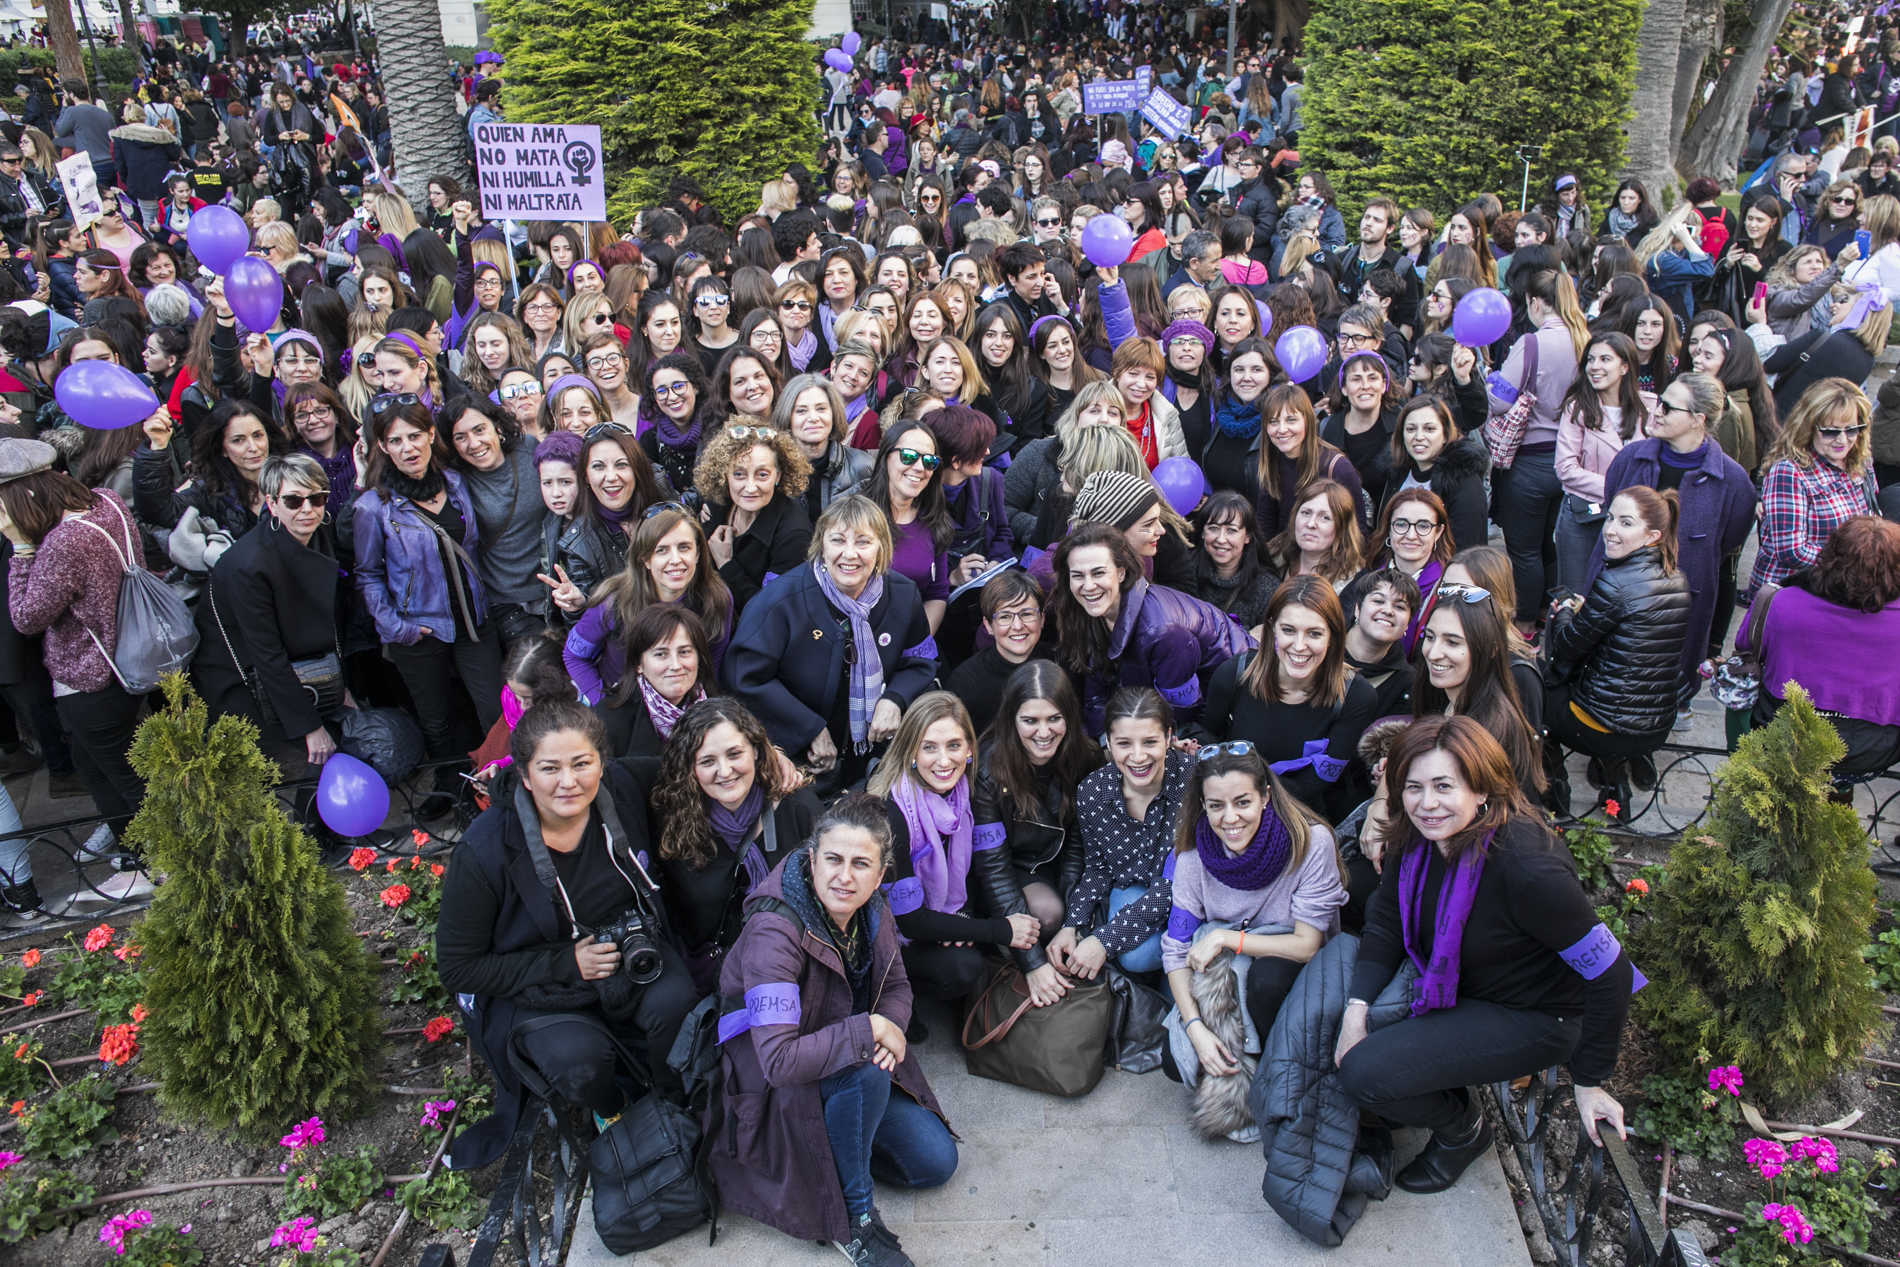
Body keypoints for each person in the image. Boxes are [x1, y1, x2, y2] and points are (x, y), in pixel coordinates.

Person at [1336, 716, 1632, 1194]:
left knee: (1363, 1074)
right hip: (1464, 983)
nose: (1426, 804)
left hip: (1534, 1016)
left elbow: (1611, 972)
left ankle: (1463, 1132)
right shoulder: (1419, 836)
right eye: (1413, 787)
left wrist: (1589, 1082)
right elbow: (1387, 919)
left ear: (1481, 790)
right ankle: (1431, 1081)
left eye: (1443, 786)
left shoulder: (1527, 869)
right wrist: (1357, 1011)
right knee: (1342, 1031)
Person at [436, 699, 699, 1169]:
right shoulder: (486, 851)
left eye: (582, 763)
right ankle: (610, 1108)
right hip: (540, 980)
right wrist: (566, 962)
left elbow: (696, 760)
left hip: (629, 953)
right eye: (550, 768)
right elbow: (458, 967)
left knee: (676, 1001)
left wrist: (770, 761)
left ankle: (667, 1105)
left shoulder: (618, 786)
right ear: (523, 774)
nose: (568, 781)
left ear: (602, 760)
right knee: (580, 1061)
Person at [709, 793, 956, 1267]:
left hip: (843, 1059)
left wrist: (890, 1024)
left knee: (934, 1165)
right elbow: (778, 1061)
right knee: (865, 1074)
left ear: (882, 872)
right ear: (812, 857)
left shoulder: (871, 907)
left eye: (861, 864)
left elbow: (897, 986)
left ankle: (838, 1154)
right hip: (775, 1086)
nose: (845, 877)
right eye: (834, 860)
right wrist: (871, 1029)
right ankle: (854, 1219)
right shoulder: (773, 931)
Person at [0, 437, 153, 903]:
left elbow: (27, 617)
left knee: (123, 777)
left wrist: (21, 550)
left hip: (90, 678)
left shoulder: (63, 543)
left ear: (23, 496)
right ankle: (136, 858)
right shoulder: (104, 501)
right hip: (130, 661)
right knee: (97, 765)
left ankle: (155, 865)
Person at [1161, 740, 1345, 1098]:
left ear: (1264, 796)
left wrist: (1225, 939)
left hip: (1289, 964)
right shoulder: (1191, 859)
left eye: (1242, 802)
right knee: (1174, 1060)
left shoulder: (1310, 842)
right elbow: (1175, 950)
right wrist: (1195, 1027)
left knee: (1267, 979)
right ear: (1203, 806)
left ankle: (1282, 1066)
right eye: (1216, 806)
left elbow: (1307, 945)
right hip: (1227, 970)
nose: (1230, 818)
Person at [352, 396, 505, 813]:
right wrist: (397, 628)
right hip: (417, 629)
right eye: (395, 440)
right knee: (437, 719)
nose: (408, 447)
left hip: (473, 621)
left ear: (431, 435)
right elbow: (367, 574)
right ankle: (450, 789)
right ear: (382, 447)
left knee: (493, 707)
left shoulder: (455, 484)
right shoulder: (373, 507)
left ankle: (494, 787)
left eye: (415, 436)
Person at [726, 495, 937, 794]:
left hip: (873, 759)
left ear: (881, 548)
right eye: (838, 540)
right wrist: (807, 728)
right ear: (821, 545)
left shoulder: (904, 595)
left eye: (863, 542)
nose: (849, 554)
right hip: (799, 763)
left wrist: (896, 698)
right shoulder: (780, 601)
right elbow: (743, 676)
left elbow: (921, 660)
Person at [1597, 373, 1756, 712]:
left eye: (1668, 408)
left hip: (1680, 603)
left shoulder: (1733, 481)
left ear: (1698, 420)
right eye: (1658, 402)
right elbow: (1611, 503)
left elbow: (1729, 541)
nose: (1656, 412)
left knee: (1663, 685)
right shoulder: (1630, 458)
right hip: (1617, 592)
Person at [868, 691, 1032, 1011]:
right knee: (962, 968)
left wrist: (960, 921)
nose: (944, 761)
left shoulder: (964, 794)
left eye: (954, 745)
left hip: (939, 912)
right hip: (890, 939)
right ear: (910, 751)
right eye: (929, 747)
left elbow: (979, 871)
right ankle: (893, 997)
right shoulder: (892, 812)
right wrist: (999, 931)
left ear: (970, 749)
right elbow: (910, 921)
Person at [192, 454, 351, 778]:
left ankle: (322, 825)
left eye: (317, 498)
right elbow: (266, 653)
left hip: (298, 661)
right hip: (238, 673)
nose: (307, 509)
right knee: (296, 759)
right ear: (272, 503)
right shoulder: (248, 565)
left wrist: (342, 686)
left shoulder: (318, 535)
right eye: (294, 500)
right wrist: (309, 726)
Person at [649, 696, 820, 992]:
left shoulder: (798, 807)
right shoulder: (678, 821)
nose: (725, 771)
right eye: (707, 761)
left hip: (798, 964)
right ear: (690, 767)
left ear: (755, 750)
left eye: (734, 754)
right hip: (719, 974)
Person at [1543, 487, 1692, 813]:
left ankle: (1554, 792)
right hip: (1656, 726)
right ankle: (1617, 785)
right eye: (1610, 518)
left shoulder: (1615, 583)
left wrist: (1565, 610)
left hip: (1607, 728)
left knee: (1531, 696)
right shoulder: (1678, 579)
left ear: (1652, 536)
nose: (1610, 529)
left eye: (1625, 523)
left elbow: (1567, 648)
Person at [971, 660, 1101, 1005]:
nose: (1043, 733)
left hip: (1058, 861)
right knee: (1047, 913)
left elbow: (1079, 844)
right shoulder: (989, 770)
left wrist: (1074, 924)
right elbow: (992, 867)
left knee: (1082, 918)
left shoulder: (1085, 757)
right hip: (1011, 869)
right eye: (1030, 721)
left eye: (1054, 719)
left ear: (1069, 718)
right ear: (1012, 720)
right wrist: (1033, 963)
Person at [1047, 522, 1253, 735]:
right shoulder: (1092, 610)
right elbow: (1096, 693)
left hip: (1243, 699)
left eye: (1098, 573)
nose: (1088, 586)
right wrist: (1101, 741)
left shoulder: (1163, 631)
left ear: (1120, 572)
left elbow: (1183, 716)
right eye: (1078, 575)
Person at [1736, 516, 1900, 778]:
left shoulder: (1778, 602)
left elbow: (1746, 648)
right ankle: (1840, 799)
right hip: (1873, 751)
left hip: (1783, 738)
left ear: (1829, 554)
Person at [1486, 269, 1587, 631]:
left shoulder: (1533, 343)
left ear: (1536, 302)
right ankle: (1550, 609)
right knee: (1550, 543)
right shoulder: (1584, 339)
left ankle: (1526, 621)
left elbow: (1499, 401)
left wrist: (1487, 380)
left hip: (1529, 458)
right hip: (1569, 458)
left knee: (1524, 549)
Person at [1747, 377, 1875, 599]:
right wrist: (1853, 563)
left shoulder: (1860, 462)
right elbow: (1791, 551)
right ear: (1808, 427)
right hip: (1792, 595)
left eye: (1852, 430)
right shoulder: (1789, 472)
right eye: (1831, 431)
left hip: (1839, 590)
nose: (1842, 440)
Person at [1414, 586, 1546, 801]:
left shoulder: (1489, 729)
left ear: (1491, 649)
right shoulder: (1437, 693)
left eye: (1452, 642)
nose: (1433, 653)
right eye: (1430, 637)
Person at [1552, 332, 1648, 596]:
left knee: (1617, 594)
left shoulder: (1648, 409)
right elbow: (1566, 469)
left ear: (1625, 366)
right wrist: (1619, 489)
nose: (1595, 366)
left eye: (1605, 359)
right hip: (1584, 517)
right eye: (1591, 359)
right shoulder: (1577, 408)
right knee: (1575, 594)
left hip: (1631, 520)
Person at [446, 398, 547, 645]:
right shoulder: (456, 481)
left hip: (554, 589)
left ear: (497, 428)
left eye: (479, 430)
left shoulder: (529, 449)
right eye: (460, 437)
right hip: (506, 600)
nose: (474, 443)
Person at [545, 425, 668, 619]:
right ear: (585, 476)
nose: (611, 477)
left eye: (621, 464)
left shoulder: (661, 494)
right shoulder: (578, 543)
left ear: (636, 469)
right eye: (598, 466)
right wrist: (579, 606)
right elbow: (584, 629)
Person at [694, 422, 814, 617]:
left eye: (762, 475)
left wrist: (726, 563)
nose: (750, 487)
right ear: (726, 474)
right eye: (739, 474)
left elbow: (771, 610)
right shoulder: (717, 503)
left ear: (778, 476)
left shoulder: (794, 533)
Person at [944, 567, 1045, 735]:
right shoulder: (965, 682)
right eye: (1005, 617)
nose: (1018, 626)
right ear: (988, 626)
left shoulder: (1060, 664)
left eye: (1027, 614)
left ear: (1042, 619)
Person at [1383, 395, 1488, 554]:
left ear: (1445, 435)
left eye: (1429, 429)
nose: (1418, 437)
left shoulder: (1464, 481)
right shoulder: (1397, 474)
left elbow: (1467, 549)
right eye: (1411, 429)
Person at [780, 372, 871, 521]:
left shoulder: (864, 467)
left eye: (821, 409)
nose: (813, 418)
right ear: (788, 417)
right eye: (801, 411)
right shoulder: (775, 469)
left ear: (834, 414)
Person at [1185, 490, 1280, 632]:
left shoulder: (1266, 587)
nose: (1221, 539)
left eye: (1231, 531)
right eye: (1213, 528)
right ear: (1203, 533)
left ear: (1247, 536)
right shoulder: (1185, 573)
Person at [1340, 567, 1419, 719]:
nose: (1388, 611)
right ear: (1357, 609)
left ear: (1408, 623)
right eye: (1378, 601)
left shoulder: (1407, 683)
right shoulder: (1322, 650)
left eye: (1399, 606)